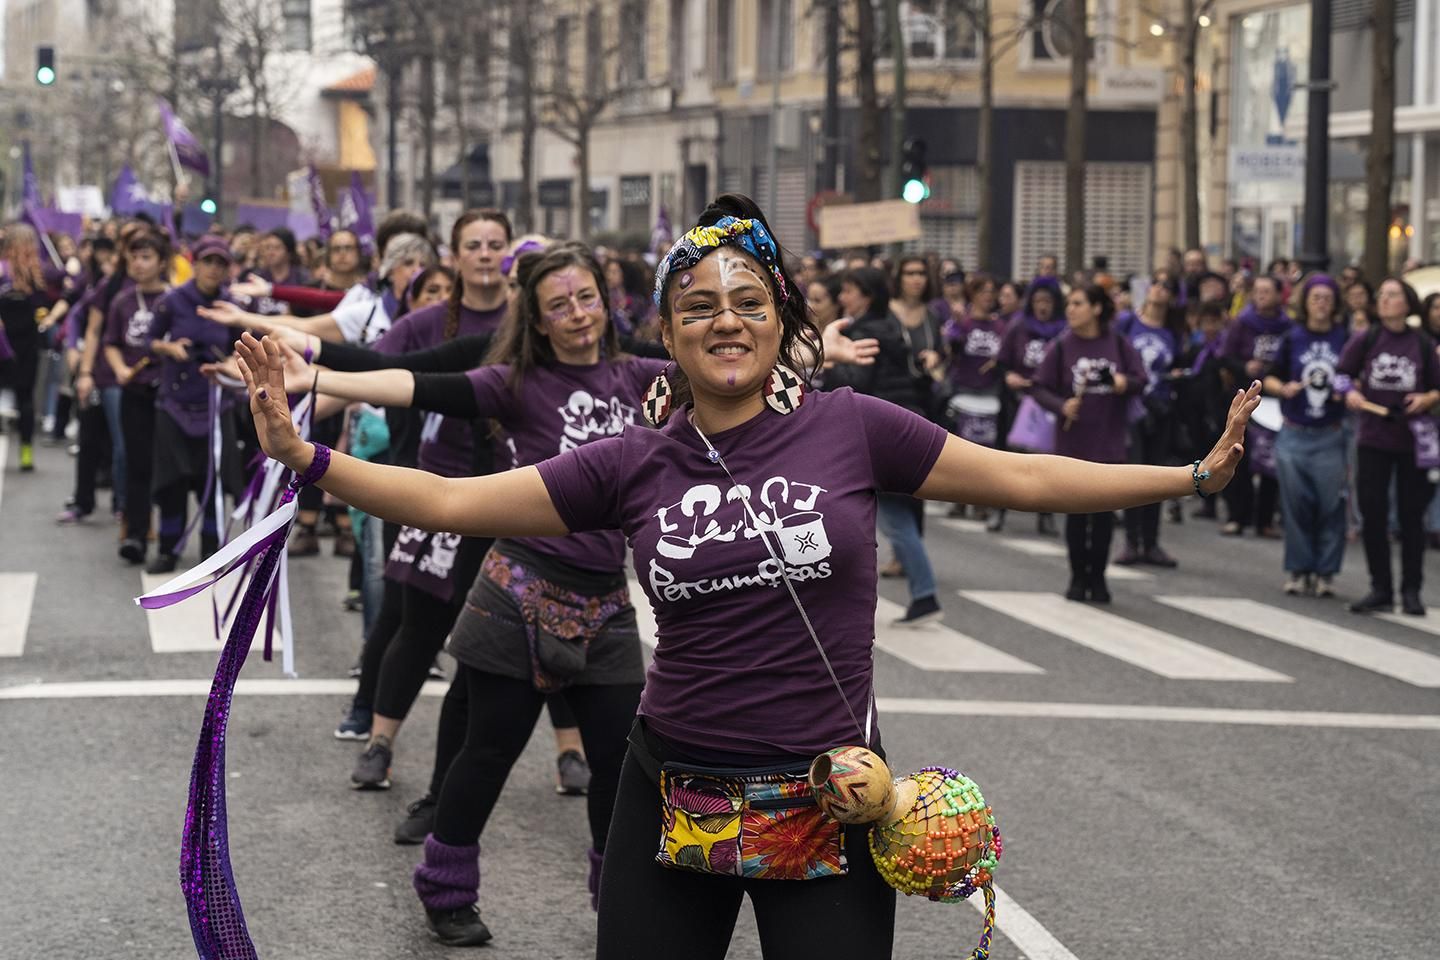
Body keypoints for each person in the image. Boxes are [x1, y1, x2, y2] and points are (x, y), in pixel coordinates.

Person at [234, 192, 1260, 960]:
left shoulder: (854, 430)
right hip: (673, 787)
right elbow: (452, 503)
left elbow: (1026, 476)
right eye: (698, 306)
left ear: (779, 321)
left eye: (747, 301)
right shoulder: (633, 460)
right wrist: (303, 455)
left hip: (833, 794)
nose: (724, 320)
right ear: (670, 337)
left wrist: (1186, 471)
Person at [831, 265, 943, 626]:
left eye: (849, 290)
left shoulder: (865, 333)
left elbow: (857, 384)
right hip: (903, 424)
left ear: (866, 294)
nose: (842, 297)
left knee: (896, 521)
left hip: (883, 433)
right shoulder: (888, 327)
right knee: (897, 517)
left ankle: (925, 594)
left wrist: (830, 365)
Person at [130, 235, 240, 573]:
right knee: (172, 482)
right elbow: (148, 342)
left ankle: (212, 553)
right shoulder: (173, 301)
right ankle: (169, 549)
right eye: (208, 261)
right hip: (174, 404)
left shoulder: (230, 305)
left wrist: (230, 361)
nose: (213, 268)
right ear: (194, 263)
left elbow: (243, 346)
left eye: (221, 263)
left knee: (213, 480)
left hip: (215, 403)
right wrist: (171, 348)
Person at [1032, 285, 1148, 602]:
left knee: (1102, 516)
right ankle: (1076, 577)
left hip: (1109, 443)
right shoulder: (1060, 347)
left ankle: (1098, 578)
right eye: (1068, 304)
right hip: (1073, 445)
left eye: (1078, 303)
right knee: (1076, 515)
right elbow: (1039, 387)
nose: (1070, 309)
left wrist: (1123, 382)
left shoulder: (1118, 344)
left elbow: (1141, 380)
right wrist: (1061, 406)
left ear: (1097, 308)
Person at [1339, 277, 1440, 616]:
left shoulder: (1422, 344)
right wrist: (1350, 392)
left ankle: (1411, 589)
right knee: (1374, 512)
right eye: (1380, 294)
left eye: (1392, 295)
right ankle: (1380, 586)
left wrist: (1427, 397)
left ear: (1407, 303)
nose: (1383, 299)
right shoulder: (1366, 339)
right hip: (1373, 437)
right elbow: (1341, 374)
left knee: (1412, 517)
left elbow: (1438, 388)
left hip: (1412, 441)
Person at [1263, 274, 1350, 597]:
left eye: (1327, 298)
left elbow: (1356, 378)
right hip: (1294, 432)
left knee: (1331, 505)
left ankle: (1326, 572)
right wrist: (1283, 388)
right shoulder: (1292, 337)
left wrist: (1347, 390)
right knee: (1296, 503)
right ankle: (1298, 569)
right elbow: (1269, 378)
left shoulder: (1345, 338)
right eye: (1316, 298)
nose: (1322, 304)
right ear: (1306, 302)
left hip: (1330, 432)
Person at [1115, 277, 1183, 567]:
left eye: (1167, 287)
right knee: (1133, 475)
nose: (1160, 289)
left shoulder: (1173, 333)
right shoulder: (1128, 323)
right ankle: (1131, 542)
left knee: (1157, 476)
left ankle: (1151, 542)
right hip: (1131, 409)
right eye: (1156, 284)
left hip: (1161, 410)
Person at [1218, 274, 1289, 537]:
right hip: (1245, 397)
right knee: (1240, 456)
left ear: (1279, 294)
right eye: (1257, 290)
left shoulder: (1287, 326)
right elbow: (1225, 357)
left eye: (1267, 291)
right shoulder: (1242, 323)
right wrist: (1244, 366)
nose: (1261, 295)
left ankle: (1265, 520)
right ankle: (1238, 515)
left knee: (1269, 459)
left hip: (1274, 400)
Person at [995, 278, 1066, 536]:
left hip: (1046, 401)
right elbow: (1001, 361)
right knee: (1008, 459)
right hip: (1017, 401)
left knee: (1046, 461)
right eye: (1038, 301)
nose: (1042, 307)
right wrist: (1008, 376)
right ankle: (998, 510)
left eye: (1047, 302)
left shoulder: (1063, 331)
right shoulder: (1019, 327)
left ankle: (1045, 515)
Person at [943, 273, 1007, 530]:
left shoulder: (1000, 327)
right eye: (983, 291)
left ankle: (980, 499)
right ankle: (959, 497)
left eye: (992, 291)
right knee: (961, 450)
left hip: (989, 393)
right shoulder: (963, 323)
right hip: (964, 390)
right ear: (973, 294)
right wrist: (957, 326)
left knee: (985, 451)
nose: (988, 296)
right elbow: (951, 349)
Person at [0, 223, 64, 471]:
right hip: (26, 345)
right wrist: (48, 318)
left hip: (8, 342)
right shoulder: (42, 274)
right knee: (25, 397)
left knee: (24, 398)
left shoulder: (11, 272)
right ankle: (26, 452)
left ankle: (26, 451)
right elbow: (64, 296)